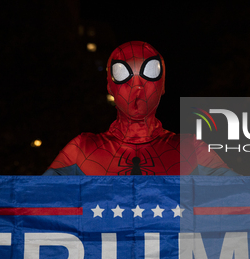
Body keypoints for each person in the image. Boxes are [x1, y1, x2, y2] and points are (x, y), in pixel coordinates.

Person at [43, 41, 237, 176]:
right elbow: (32, 202)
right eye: (123, 73)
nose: (137, 86)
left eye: (149, 72)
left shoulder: (191, 148)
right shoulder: (82, 149)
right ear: (110, 86)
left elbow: (244, 195)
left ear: (162, 85)